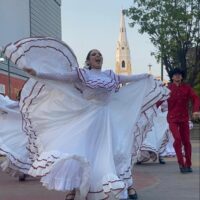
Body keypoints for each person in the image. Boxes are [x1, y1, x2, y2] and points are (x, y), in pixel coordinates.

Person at [1, 37, 170, 200]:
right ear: (88, 60)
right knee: (84, 152)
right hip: (89, 117)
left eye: (99, 54)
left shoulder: (110, 75)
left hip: (108, 119)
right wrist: (38, 73)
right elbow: (60, 76)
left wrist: (148, 77)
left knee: (114, 152)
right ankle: (75, 189)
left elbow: (131, 79)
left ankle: (120, 185)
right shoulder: (82, 74)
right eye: (94, 54)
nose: (98, 56)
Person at [167, 67, 200, 173]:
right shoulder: (167, 89)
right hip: (172, 118)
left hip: (184, 118)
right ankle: (181, 163)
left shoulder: (187, 88)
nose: (177, 76)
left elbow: (196, 98)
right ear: (172, 77)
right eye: (175, 74)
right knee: (177, 139)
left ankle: (188, 164)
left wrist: (195, 110)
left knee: (186, 142)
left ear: (181, 77)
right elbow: (158, 100)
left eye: (179, 75)